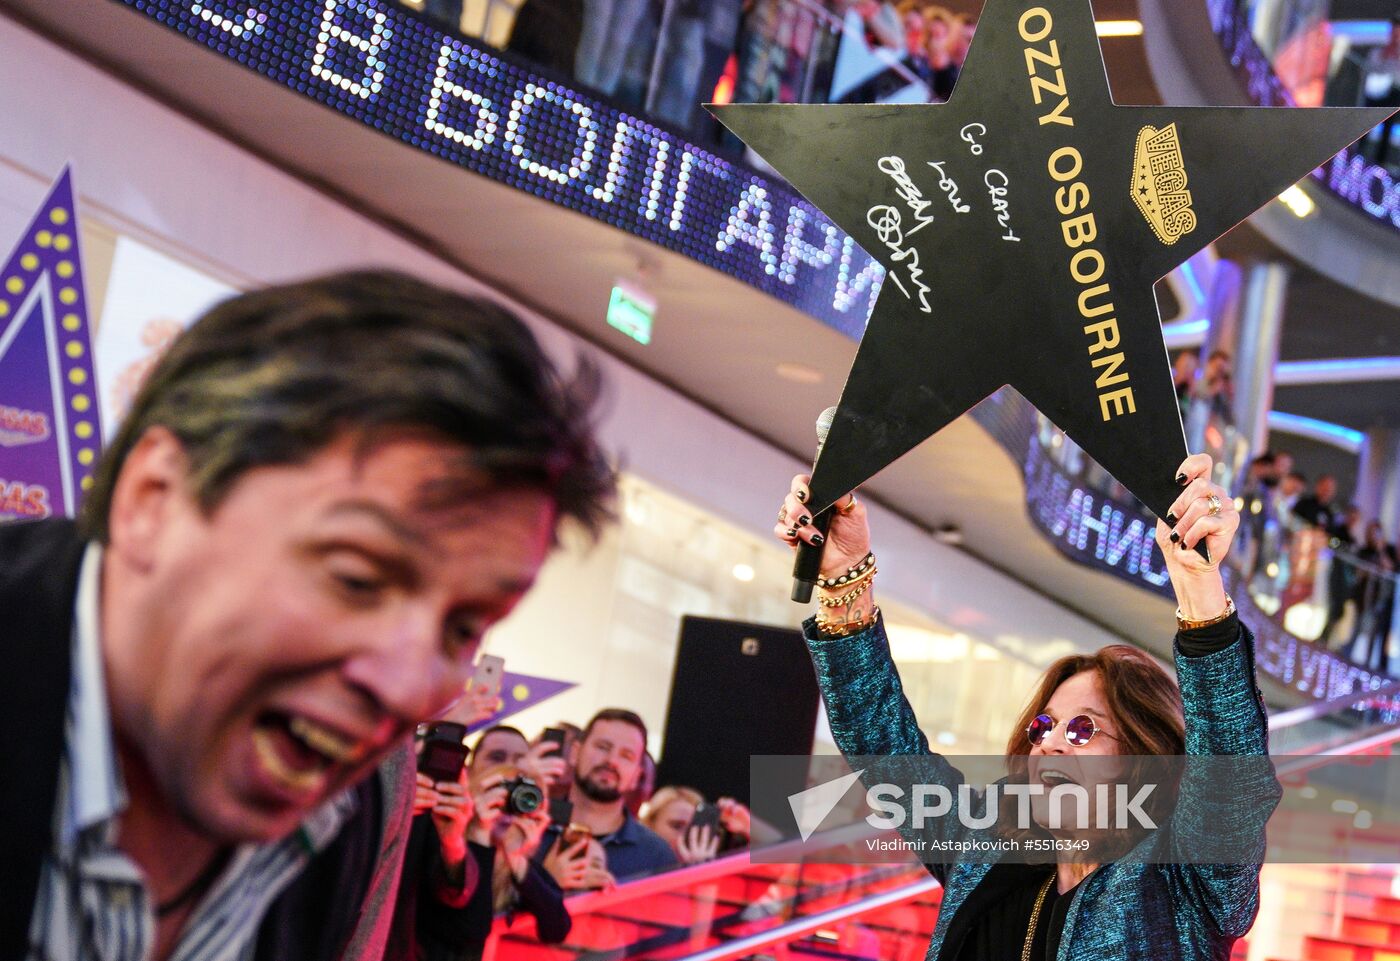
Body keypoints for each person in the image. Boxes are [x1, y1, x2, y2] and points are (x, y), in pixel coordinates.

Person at [3, 270, 615, 961]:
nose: (413, 685)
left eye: (462, 627)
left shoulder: (355, 806)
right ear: (155, 500)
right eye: (356, 577)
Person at [774, 452, 1279, 959]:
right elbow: (882, 743)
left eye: (1082, 730)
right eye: (1043, 726)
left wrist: (1198, 588)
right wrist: (844, 578)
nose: (1050, 743)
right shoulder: (984, 847)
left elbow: (1230, 776)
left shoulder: (1183, 880)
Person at [413, 726, 570, 960]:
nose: (510, 770)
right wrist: (479, 833)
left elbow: (557, 929)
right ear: (470, 770)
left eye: (520, 760)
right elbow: (471, 929)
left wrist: (517, 860)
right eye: (497, 758)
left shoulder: (518, 860)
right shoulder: (436, 834)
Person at [534, 708, 677, 888]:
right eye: (603, 747)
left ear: (636, 776)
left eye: (626, 756)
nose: (612, 761)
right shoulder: (529, 829)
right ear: (575, 753)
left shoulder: (657, 856)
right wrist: (544, 883)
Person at [641, 786, 752, 864]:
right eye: (677, 826)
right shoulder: (635, 866)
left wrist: (748, 826)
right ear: (650, 826)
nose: (687, 835)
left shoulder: (718, 873)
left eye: (694, 827)